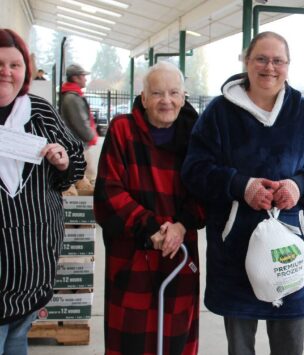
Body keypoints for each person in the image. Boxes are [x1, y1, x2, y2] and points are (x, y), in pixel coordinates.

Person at [181, 31, 304, 355]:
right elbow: (194, 170)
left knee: (289, 345)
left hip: (288, 253)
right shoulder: (219, 114)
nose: (270, 67)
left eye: (278, 60)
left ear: (288, 65)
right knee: (240, 347)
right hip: (234, 251)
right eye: (261, 59)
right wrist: (240, 186)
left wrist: (300, 185)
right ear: (246, 62)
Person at [94, 61, 206, 355]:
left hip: (179, 251)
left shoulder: (198, 136)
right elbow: (109, 191)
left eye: (173, 93)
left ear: (183, 97)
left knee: (176, 339)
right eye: (156, 93)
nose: (165, 101)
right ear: (143, 98)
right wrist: (151, 226)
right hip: (133, 253)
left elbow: (207, 191)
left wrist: (181, 225)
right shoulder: (123, 130)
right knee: (130, 339)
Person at [0, 28, 85, 354]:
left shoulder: (40, 111)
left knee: (18, 341)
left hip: (33, 264)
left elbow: (74, 164)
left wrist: (63, 161)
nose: (6, 72)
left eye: (14, 65)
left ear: (25, 70)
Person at [60, 63, 98, 182]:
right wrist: (92, 136)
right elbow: (81, 123)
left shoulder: (70, 95)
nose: (85, 78)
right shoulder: (72, 98)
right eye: (83, 75)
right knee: (89, 178)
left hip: (76, 146)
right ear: (76, 78)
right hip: (79, 147)